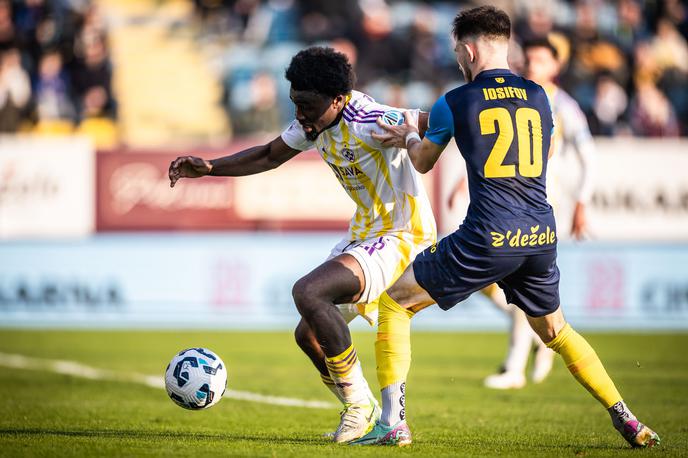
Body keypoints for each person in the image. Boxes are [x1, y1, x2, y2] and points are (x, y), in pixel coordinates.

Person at [351, 6, 659, 448]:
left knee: (396, 303)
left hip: (488, 235)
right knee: (557, 331)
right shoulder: (540, 96)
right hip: (539, 235)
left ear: (470, 50)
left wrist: (408, 136)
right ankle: (626, 418)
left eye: (459, 50)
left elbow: (420, 162)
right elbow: (540, 150)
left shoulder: (455, 100)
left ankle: (392, 423)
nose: (458, 58)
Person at [168, 46, 436, 443]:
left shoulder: (372, 118)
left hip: (402, 234)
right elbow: (268, 155)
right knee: (307, 335)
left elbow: (438, 122)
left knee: (309, 291)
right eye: (295, 102)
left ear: (337, 100)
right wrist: (210, 168)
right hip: (366, 233)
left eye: (306, 105)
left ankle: (360, 406)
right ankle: (364, 409)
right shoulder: (315, 124)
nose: (299, 113)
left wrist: (425, 132)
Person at [482, 36, 597, 390]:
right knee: (488, 280)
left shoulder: (563, 105)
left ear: (554, 66)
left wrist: (582, 201)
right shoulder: (513, 95)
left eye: (540, 60)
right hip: (506, 199)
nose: (532, 65)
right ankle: (540, 337)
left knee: (518, 278)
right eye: (528, 58)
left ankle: (514, 367)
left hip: (543, 203)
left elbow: (587, 156)